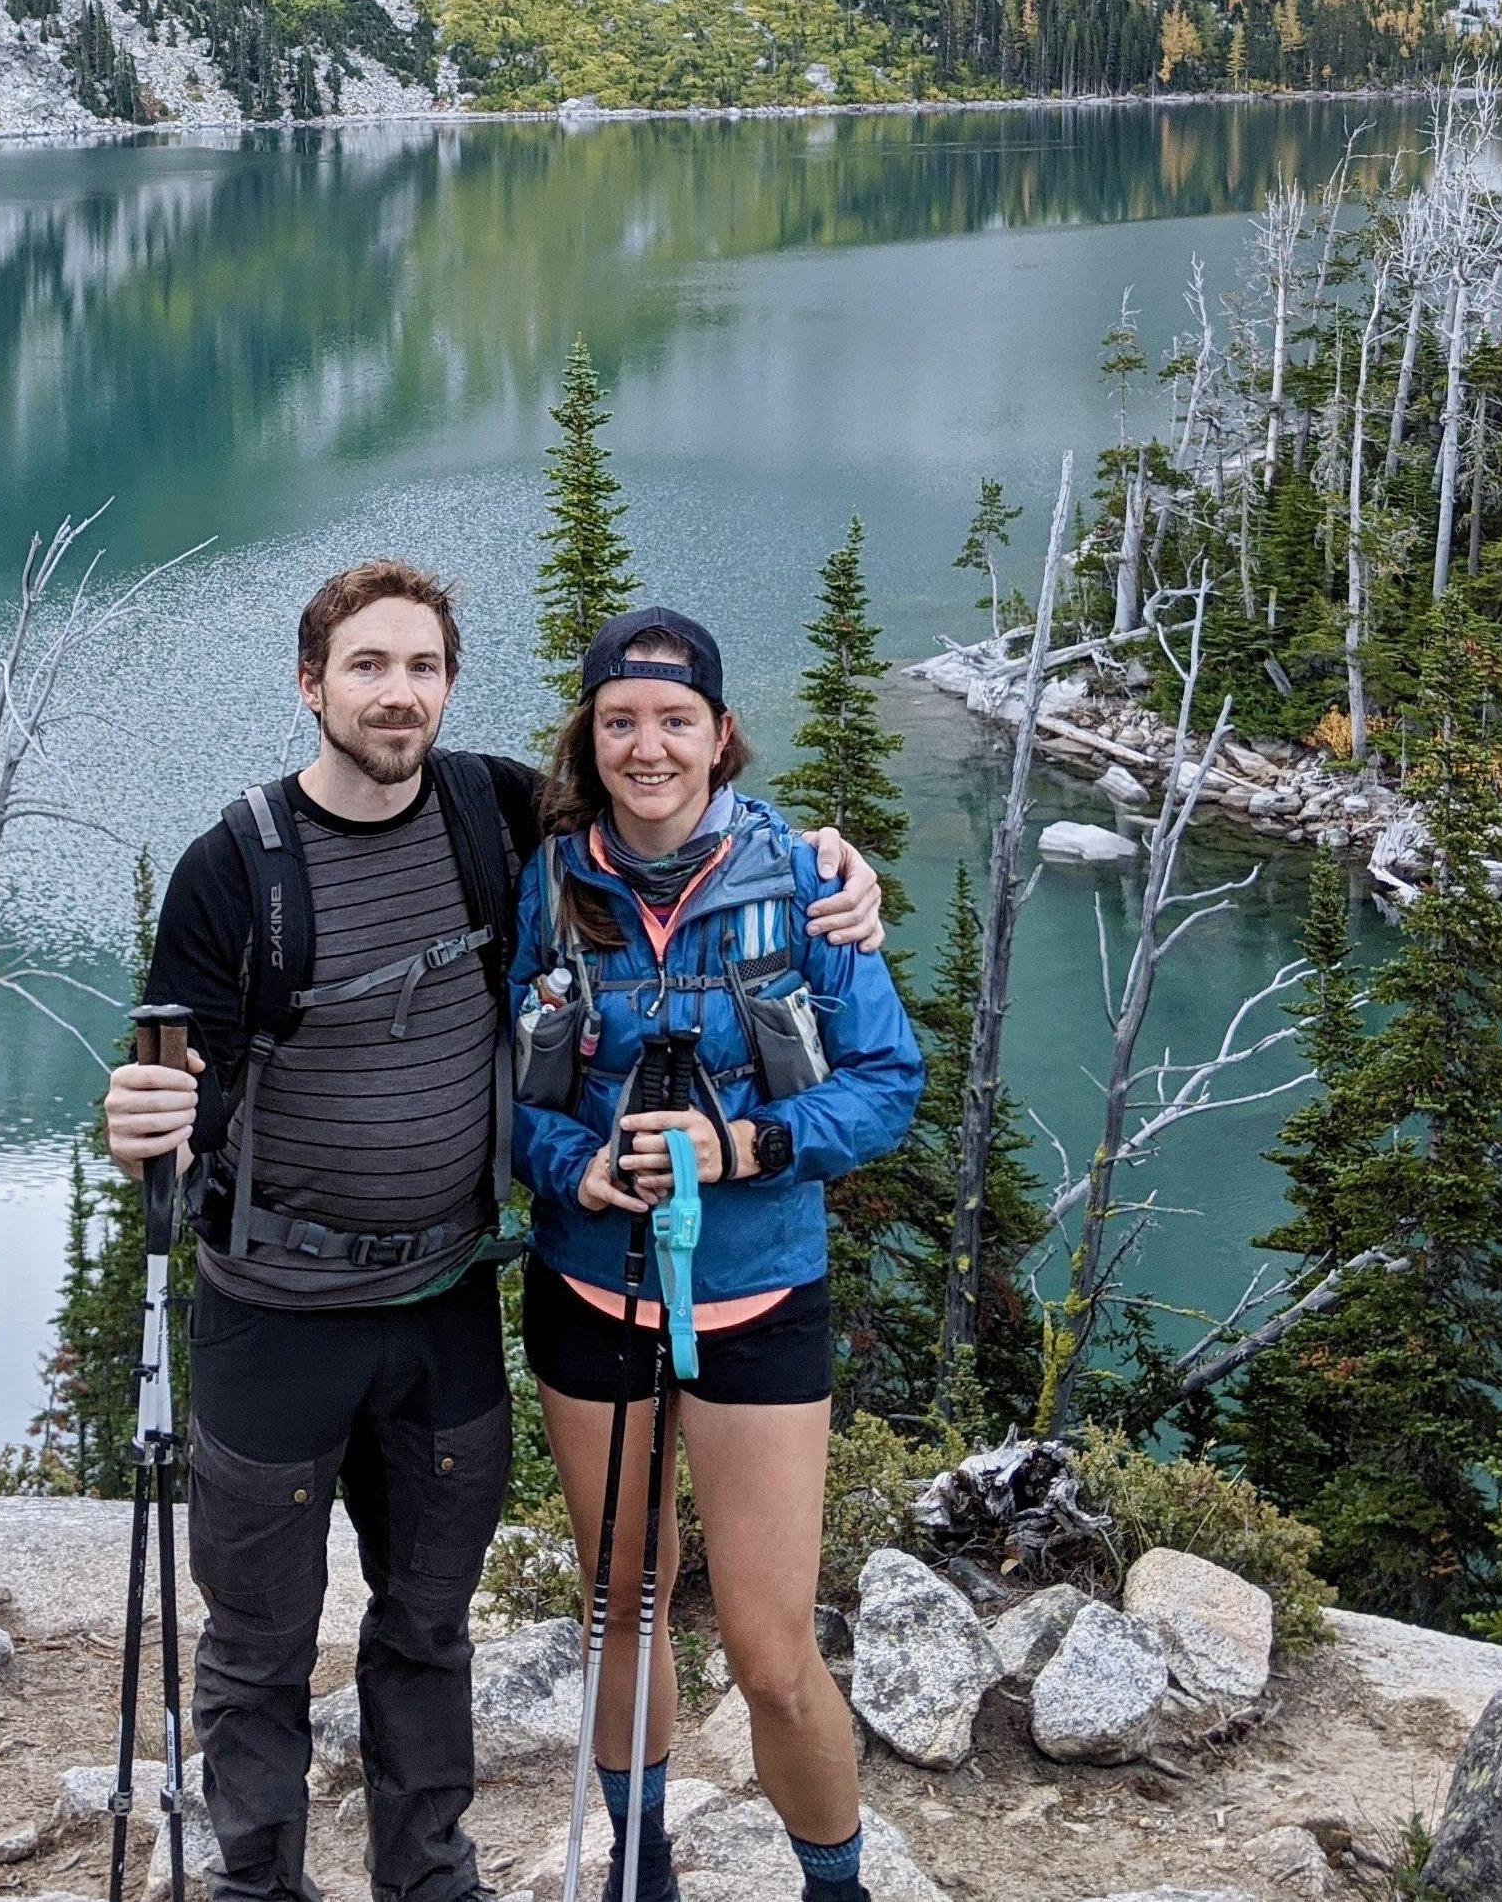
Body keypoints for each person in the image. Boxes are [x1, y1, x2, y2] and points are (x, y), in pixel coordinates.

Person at [103, 561, 888, 1902]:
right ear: (311, 684)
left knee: (440, 1624)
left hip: (461, 1303)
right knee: (268, 1641)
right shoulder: (249, 866)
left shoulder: (500, 817)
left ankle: (438, 1884)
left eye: (420, 668)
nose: (395, 693)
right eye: (366, 666)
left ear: (450, 686)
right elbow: (191, 1085)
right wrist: (144, 1125)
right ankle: (263, 1886)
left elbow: (689, 840)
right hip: (301, 1308)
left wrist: (837, 865)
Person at [509, 610, 923, 1902]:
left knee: (770, 1654)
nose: (648, 748)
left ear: (720, 733)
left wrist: (741, 1145)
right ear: (589, 737)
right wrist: (572, 1164)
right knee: (621, 1603)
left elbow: (887, 1084)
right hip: (592, 1291)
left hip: (759, 1301)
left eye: (674, 721)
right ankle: (642, 1869)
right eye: (620, 721)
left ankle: (836, 1886)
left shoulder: (802, 880)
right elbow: (505, 1088)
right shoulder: (550, 884)